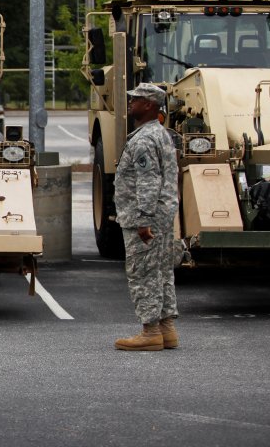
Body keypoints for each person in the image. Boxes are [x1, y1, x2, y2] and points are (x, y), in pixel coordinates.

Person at [114, 82, 180, 351]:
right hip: (162, 215)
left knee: (143, 272)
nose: (132, 102)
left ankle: (150, 331)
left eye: (137, 99)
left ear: (150, 105)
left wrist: (143, 219)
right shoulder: (162, 134)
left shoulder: (142, 139)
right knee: (162, 271)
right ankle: (167, 329)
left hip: (145, 216)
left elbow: (148, 181)